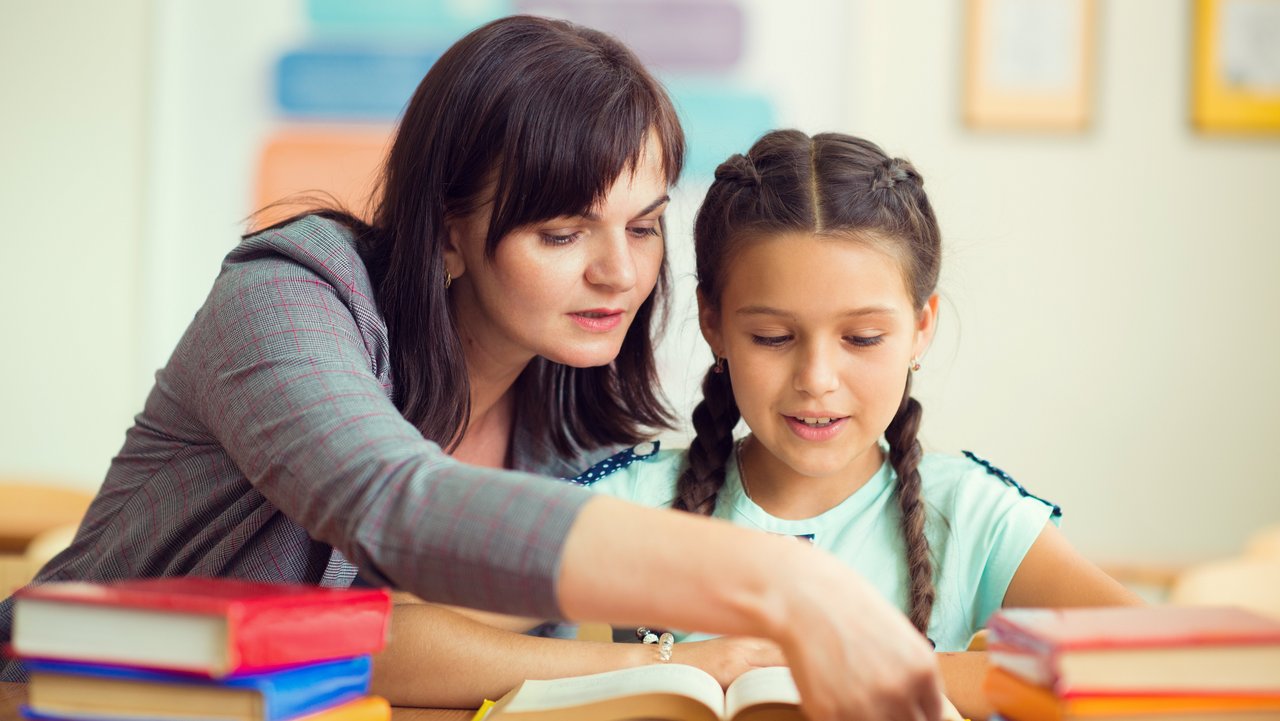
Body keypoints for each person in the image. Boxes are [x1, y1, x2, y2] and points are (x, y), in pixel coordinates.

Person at [0, 18, 945, 721]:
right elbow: (393, 502)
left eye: (645, 227)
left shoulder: (570, 419)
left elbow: (410, 652)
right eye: (563, 231)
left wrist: (692, 668)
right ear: (447, 231)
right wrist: (779, 586)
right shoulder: (292, 295)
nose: (619, 273)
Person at [371, 129, 1141, 717]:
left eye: (863, 338)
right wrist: (677, 665)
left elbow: (1164, 664)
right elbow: (387, 642)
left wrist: (869, 669)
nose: (816, 379)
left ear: (921, 326)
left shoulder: (972, 514)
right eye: (772, 337)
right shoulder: (634, 501)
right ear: (712, 320)